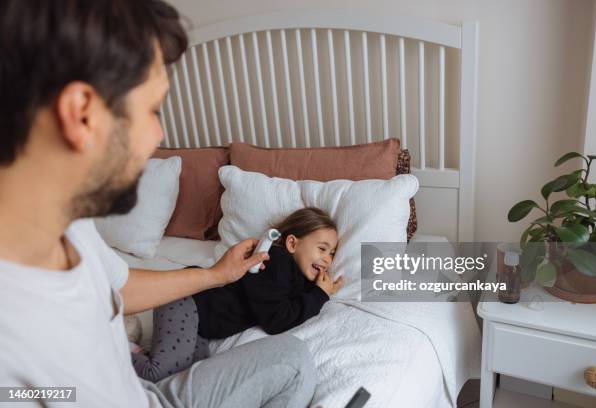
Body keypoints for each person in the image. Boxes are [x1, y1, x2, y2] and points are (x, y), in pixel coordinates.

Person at [0, 1, 316, 407]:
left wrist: (216, 275)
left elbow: (116, 285)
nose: (158, 135)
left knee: (293, 360)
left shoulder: (67, 222)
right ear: (82, 115)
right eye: (151, 110)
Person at [132, 208, 344, 382]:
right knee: (158, 374)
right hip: (187, 300)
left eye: (332, 253)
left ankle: (141, 352)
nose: (327, 259)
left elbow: (293, 304)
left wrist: (320, 289)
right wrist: (319, 294)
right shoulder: (274, 261)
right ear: (291, 243)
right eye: (322, 249)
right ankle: (112, 349)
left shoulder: (297, 278)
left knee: (182, 381)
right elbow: (276, 320)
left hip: (200, 326)